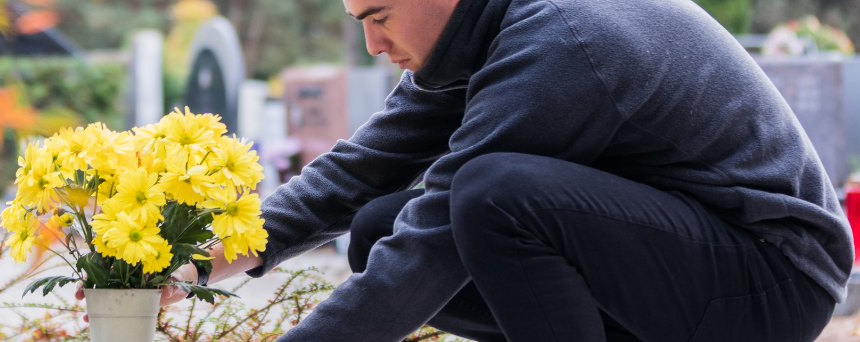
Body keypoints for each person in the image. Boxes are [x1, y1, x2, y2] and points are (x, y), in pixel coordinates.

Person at [86, 0, 854, 340]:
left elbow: (434, 242)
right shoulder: (487, 31)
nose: (372, 46)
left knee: (489, 198)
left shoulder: (559, 43)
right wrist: (186, 259)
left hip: (774, 281)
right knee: (376, 223)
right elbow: (362, 168)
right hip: (689, 268)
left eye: (380, 17)